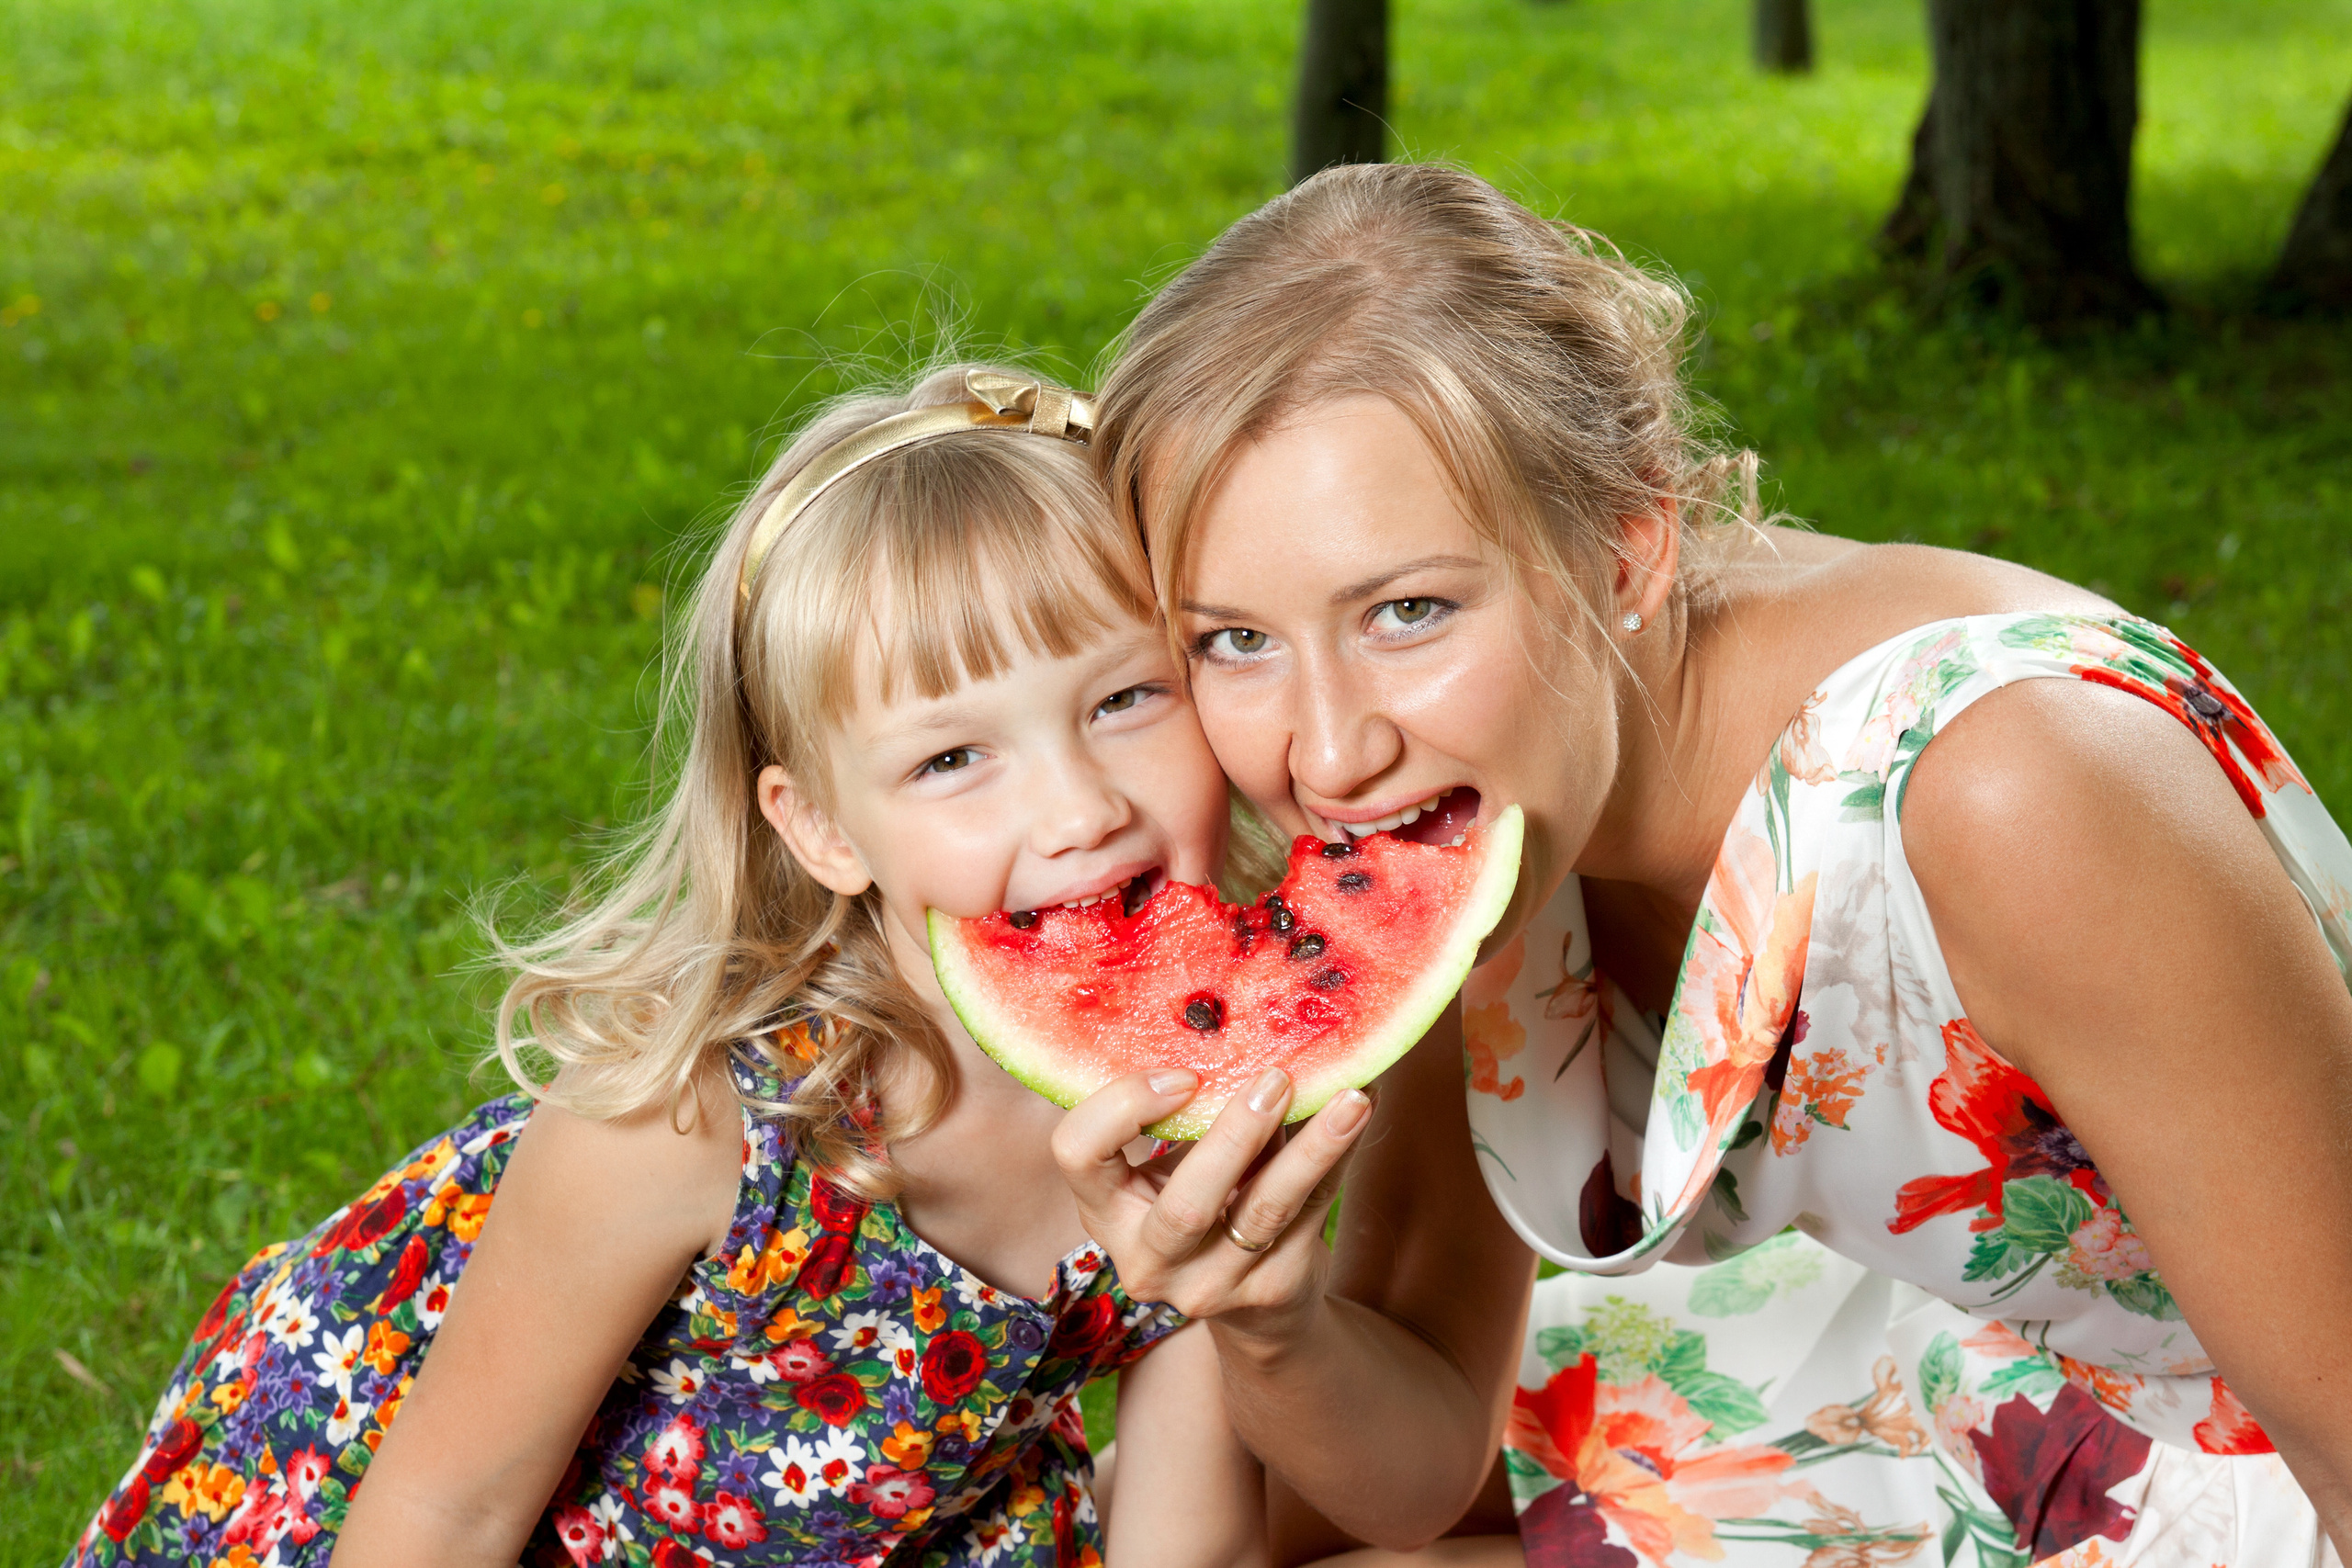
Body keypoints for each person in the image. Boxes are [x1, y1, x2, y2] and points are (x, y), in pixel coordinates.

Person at [1051, 164, 2352, 1567]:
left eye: (1408, 612)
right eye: (1234, 640)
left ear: (1626, 552)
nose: (1326, 750)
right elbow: (1410, 1467)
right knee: (1217, 1504)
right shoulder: (1465, 835)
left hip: (2263, 1458)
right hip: (1971, 1375)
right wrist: (1264, 1311)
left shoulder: (2009, 787)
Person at [67, 365, 1272, 1568]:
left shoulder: (1219, 1096)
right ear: (824, 830)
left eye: (1124, 698)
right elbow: (444, 1514)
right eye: (953, 759)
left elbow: (1186, 1545)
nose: (1076, 811)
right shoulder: (698, 1122)